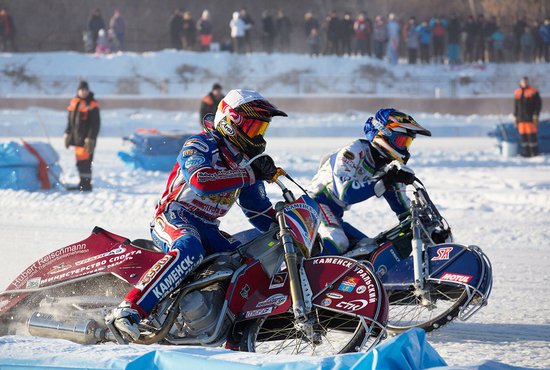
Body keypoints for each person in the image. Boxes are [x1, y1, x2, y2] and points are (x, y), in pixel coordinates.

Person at [111, 89, 288, 341]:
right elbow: (200, 180)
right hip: (175, 215)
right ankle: (129, 309)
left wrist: (287, 223)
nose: (257, 136)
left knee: (249, 255)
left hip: (208, 227)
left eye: (261, 129)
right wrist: (249, 175)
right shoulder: (200, 143)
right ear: (229, 122)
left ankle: (217, 321)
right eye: (252, 128)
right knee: (189, 247)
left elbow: (258, 212)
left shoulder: (245, 162)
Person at [307, 108, 431, 255]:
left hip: (334, 214)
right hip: (312, 207)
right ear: (384, 134)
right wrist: (387, 180)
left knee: (371, 251)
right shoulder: (354, 151)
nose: (405, 149)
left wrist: (426, 226)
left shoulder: (388, 168)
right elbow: (346, 194)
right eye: (401, 141)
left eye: (407, 143)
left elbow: (403, 210)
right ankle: (310, 276)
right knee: (338, 241)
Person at [64, 81, 100, 192]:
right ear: (78, 91)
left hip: (86, 140)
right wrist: (67, 133)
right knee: (80, 162)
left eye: (86, 90)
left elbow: (95, 123)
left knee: (86, 162)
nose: (84, 92)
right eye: (82, 90)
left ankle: (86, 185)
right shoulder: (74, 103)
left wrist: (90, 137)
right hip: (77, 139)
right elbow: (70, 121)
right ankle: (82, 183)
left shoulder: (92, 104)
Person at [514, 77, 542, 157]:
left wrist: (536, 114)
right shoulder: (517, 92)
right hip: (521, 119)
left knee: (532, 136)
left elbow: (538, 105)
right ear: (520, 82)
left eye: (525, 81)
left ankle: (534, 153)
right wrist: (515, 116)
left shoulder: (533, 91)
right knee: (523, 137)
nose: (524, 83)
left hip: (530, 119)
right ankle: (525, 153)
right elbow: (516, 106)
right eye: (522, 82)